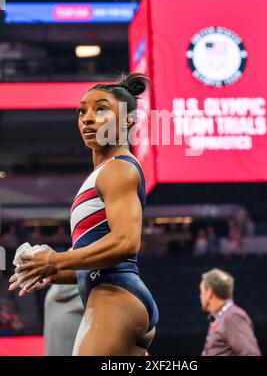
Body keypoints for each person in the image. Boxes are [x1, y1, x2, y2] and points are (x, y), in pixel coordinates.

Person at [9, 73, 159, 356]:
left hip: (115, 296)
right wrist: (53, 272)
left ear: (128, 120)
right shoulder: (105, 172)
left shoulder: (118, 169)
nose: (87, 118)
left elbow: (126, 243)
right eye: (82, 111)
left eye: (101, 109)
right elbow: (95, 259)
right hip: (112, 295)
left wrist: (56, 260)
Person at [199, 268, 261, 356]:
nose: (200, 296)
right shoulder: (222, 317)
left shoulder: (232, 317)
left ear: (209, 293)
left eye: (201, 292)